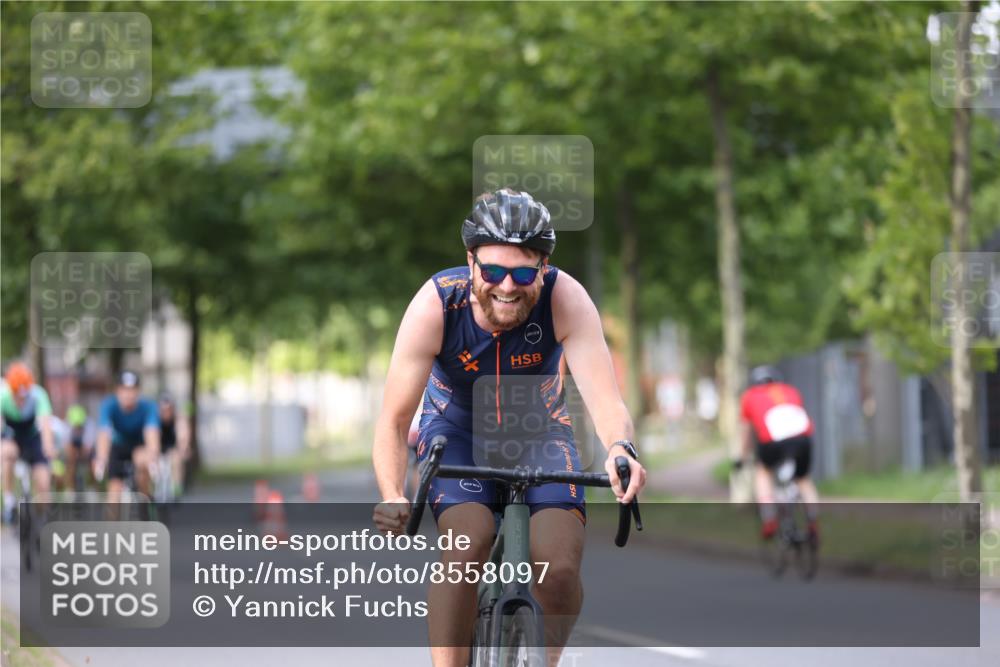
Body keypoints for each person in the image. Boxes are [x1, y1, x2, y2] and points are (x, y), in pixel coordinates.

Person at [372, 189, 646, 667]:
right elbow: (394, 420)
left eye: (523, 273)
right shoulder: (436, 305)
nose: (507, 286)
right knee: (468, 542)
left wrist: (621, 448)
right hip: (457, 433)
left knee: (558, 571)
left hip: (539, 433)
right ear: (470, 262)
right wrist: (393, 491)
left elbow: (607, 402)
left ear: (543, 267)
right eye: (493, 271)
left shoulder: (566, 299)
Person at [739, 365, 819, 542]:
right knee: (803, 479)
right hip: (802, 438)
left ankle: (769, 519)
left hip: (773, 440)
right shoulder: (791, 391)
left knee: (763, 472)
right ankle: (813, 521)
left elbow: (746, 432)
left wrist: (742, 457)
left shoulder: (750, 396)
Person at [1, 362, 56, 522]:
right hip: (12, 435)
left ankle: (45, 519)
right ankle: (9, 500)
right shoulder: (3, 396)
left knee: (44, 478)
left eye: (23, 395)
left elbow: (46, 425)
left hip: (32, 437)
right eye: (17, 395)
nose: (20, 399)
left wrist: (48, 447)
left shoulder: (38, 395)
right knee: (6, 453)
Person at [94, 371, 160, 502]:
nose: (128, 395)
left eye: (132, 390)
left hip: (139, 445)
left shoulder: (148, 407)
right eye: (124, 390)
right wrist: (101, 459)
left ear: (138, 391)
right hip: (118, 447)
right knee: (114, 492)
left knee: (142, 463)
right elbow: (104, 433)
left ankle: (145, 500)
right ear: (117, 391)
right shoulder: (109, 405)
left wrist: (152, 457)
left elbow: (151, 432)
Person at [157, 394, 190, 499]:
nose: (166, 412)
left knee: (176, 459)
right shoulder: (156, 420)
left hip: (173, 448)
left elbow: (183, 436)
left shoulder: (178, 419)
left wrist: (183, 448)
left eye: (169, 409)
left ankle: (176, 486)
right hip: (158, 448)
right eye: (164, 410)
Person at [65, 404, 94, 491]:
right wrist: (73, 455)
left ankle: (91, 486)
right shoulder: (66, 426)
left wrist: (82, 454)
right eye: (75, 426)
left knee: (92, 463)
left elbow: (88, 448)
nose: (77, 428)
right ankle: (70, 488)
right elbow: (66, 446)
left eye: (79, 426)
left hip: (86, 447)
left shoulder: (90, 426)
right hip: (73, 446)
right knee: (70, 462)